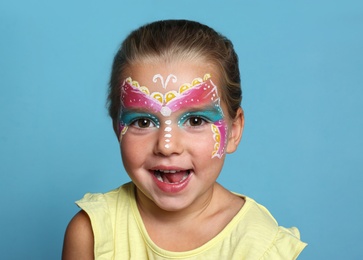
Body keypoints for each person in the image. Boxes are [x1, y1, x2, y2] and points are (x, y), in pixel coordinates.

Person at [62, 19, 307, 259]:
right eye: (143, 122)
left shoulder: (261, 248)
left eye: (196, 121)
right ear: (118, 129)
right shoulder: (92, 233)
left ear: (233, 131)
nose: (167, 146)